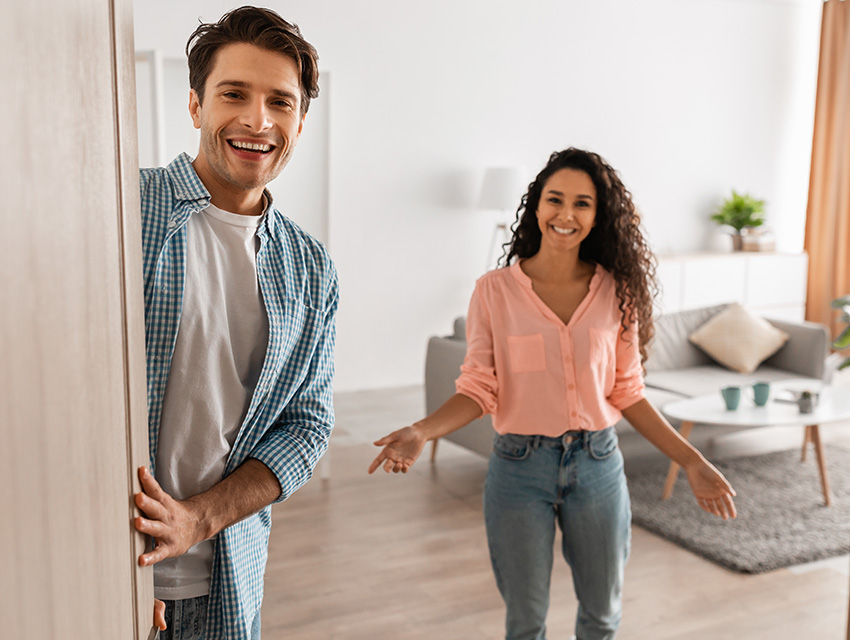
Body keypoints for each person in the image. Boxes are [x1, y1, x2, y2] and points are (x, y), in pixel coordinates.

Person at [369, 148, 736, 640]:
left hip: (599, 464)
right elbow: (479, 387)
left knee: (602, 616)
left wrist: (691, 461)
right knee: (525, 623)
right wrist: (421, 429)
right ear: (536, 207)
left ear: (598, 214)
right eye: (555, 200)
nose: (566, 214)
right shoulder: (493, 292)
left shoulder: (618, 291)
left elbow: (627, 391)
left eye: (582, 203)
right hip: (519, 468)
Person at [132, 7, 337, 639]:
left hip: (226, 578)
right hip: (104, 566)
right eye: (234, 94)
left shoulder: (310, 268)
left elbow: (307, 426)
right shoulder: (122, 209)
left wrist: (199, 518)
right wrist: (123, 575)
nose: (258, 120)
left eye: (281, 101)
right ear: (195, 105)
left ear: (300, 121)